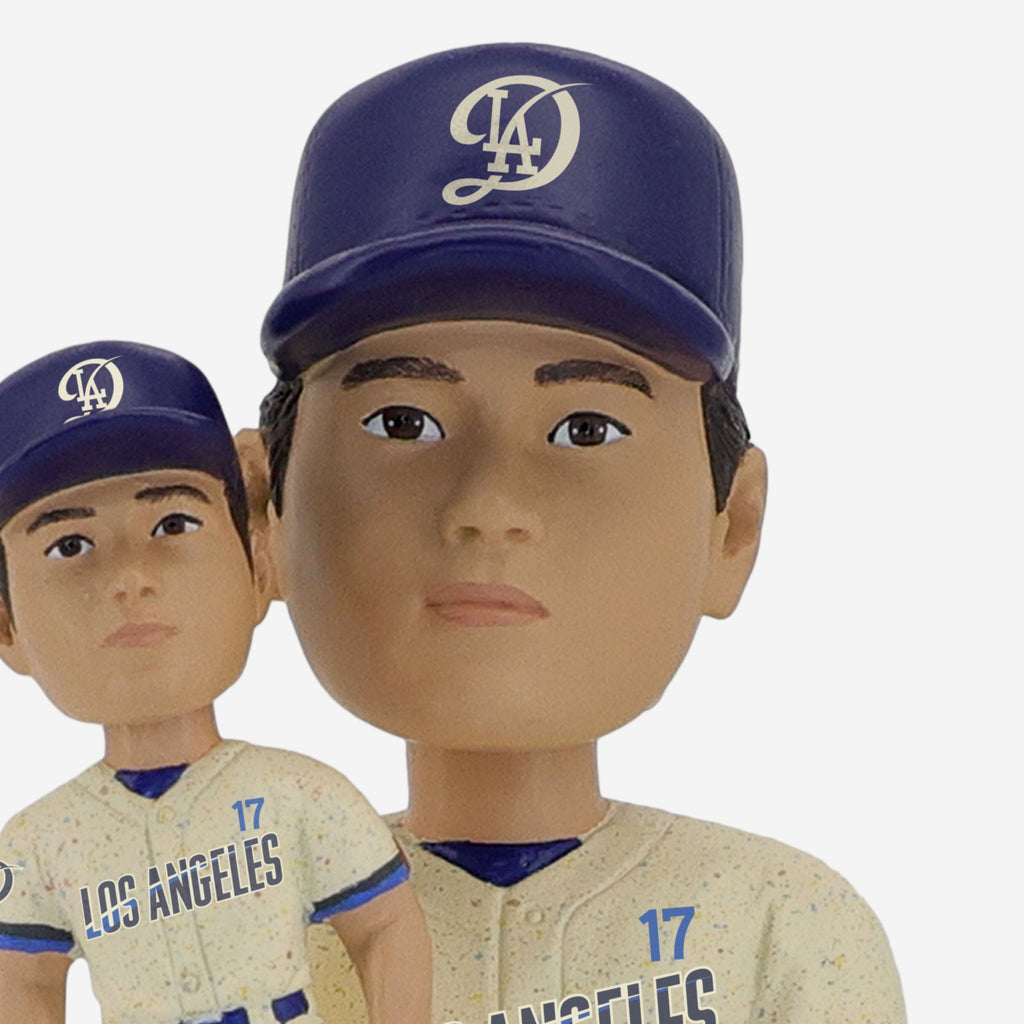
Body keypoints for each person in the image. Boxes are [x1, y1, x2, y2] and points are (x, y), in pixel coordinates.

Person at [250, 43, 905, 1024]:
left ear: (733, 526)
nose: (487, 504)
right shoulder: (242, 938)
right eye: (403, 423)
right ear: (263, 508)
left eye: (586, 429)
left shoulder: (778, 925)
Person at [0, 341, 431, 1024]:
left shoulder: (299, 794)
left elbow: (385, 926)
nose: (130, 578)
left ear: (260, 566)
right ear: (7, 627)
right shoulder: (39, 843)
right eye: (69, 545)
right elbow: (21, 980)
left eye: (173, 524)